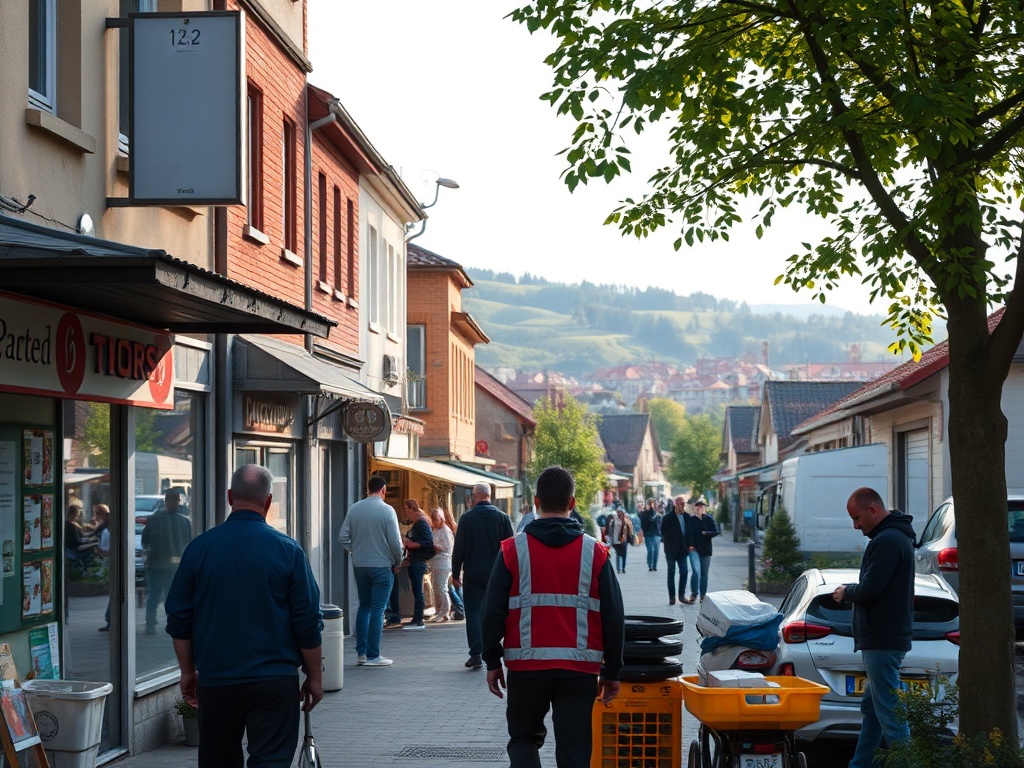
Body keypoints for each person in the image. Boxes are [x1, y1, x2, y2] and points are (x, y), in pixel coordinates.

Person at [165, 464, 323, 768]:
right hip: (274, 681)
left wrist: (188, 672)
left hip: (217, 680)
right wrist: (314, 677)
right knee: (271, 761)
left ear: (229, 497)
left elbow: (179, 619)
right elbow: (307, 621)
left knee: (218, 761)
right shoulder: (288, 551)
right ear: (267, 502)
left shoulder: (199, 549)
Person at [481, 465, 624, 768]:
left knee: (523, 739)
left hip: (526, 666)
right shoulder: (595, 552)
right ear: (572, 504)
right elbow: (614, 616)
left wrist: (492, 661)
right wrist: (613, 671)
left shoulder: (512, 550)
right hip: (579, 669)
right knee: (575, 751)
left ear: (535, 502)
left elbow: (491, 611)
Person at [832, 487, 915, 768]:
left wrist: (846, 592)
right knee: (873, 707)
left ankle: (906, 763)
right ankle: (861, 763)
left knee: (889, 712)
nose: (856, 526)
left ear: (873, 510)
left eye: (857, 518)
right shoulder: (894, 536)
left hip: (881, 638)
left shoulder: (887, 541)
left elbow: (871, 588)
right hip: (886, 635)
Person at [338, 476, 404, 666]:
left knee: (364, 605)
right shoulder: (387, 510)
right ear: (383, 490)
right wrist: (397, 560)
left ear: (368, 489)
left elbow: (343, 536)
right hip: (382, 565)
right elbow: (394, 541)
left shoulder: (355, 508)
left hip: (360, 565)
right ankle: (374, 655)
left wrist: (354, 549)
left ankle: (361, 653)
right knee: (378, 608)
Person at [452, 483, 514, 670]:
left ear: (475, 496)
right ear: (489, 495)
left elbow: (459, 548)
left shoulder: (466, 518)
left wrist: (456, 573)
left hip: (473, 574)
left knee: (473, 612)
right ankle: (497, 648)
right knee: (497, 611)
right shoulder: (503, 518)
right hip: (498, 574)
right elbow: (510, 548)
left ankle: (476, 653)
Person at [141, 490, 192, 635]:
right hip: (174, 565)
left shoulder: (154, 519)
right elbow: (189, 543)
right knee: (171, 595)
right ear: (178, 502)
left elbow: (145, 541)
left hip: (155, 564)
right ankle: (172, 623)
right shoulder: (185, 521)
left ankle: (151, 624)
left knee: (154, 595)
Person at [401, 499, 435, 631]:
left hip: (417, 560)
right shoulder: (419, 522)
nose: (406, 513)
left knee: (417, 590)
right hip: (415, 559)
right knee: (416, 590)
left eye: (407, 509)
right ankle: (416, 618)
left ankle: (418, 619)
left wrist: (410, 544)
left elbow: (428, 542)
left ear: (412, 509)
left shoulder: (421, 522)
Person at [661, 495, 695, 605]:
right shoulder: (667, 518)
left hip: (683, 550)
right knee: (671, 572)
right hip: (671, 550)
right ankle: (672, 596)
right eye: (681, 504)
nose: (683, 506)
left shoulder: (687, 517)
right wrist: (672, 538)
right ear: (675, 505)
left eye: (684, 504)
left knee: (684, 571)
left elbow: (690, 532)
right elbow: (663, 532)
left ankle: (681, 595)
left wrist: (690, 544)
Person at [427, 506, 455, 622]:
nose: (435, 522)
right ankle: (439, 610)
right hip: (435, 561)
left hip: (443, 561)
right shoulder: (436, 530)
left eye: (436, 519)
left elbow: (448, 547)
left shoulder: (445, 530)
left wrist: (435, 546)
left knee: (442, 587)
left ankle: (445, 611)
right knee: (437, 587)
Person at [689, 496, 719, 600]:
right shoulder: (691, 520)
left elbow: (716, 531)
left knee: (704, 574)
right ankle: (694, 593)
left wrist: (706, 533)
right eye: (697, 506)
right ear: (694, 508)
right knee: (696, 571)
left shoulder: (708, 519)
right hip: (694, 549)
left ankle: (703, 595)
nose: (699, 508)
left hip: (706, 550)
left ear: (703, 508)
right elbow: (688, 534)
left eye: (701, 506)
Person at [604, 506, 634, 574]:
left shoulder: (624, 520)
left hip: (621, 540)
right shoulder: (616, 520)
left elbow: (630, 530)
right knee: (621, 554)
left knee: (620, 554)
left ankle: (621, 568)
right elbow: (610, 530)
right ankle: (620, 568)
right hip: (618, 541)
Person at [639, 499, 662, 572]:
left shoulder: (658, 514)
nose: (651, 506)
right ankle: (650, 565)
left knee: (656, 551)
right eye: (649, 504)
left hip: (656, 534)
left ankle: (654, 565)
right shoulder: (644, 514)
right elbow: (643, 524)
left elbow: (660, 525)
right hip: (648, 534)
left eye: (652, 504)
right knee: (650, 550)